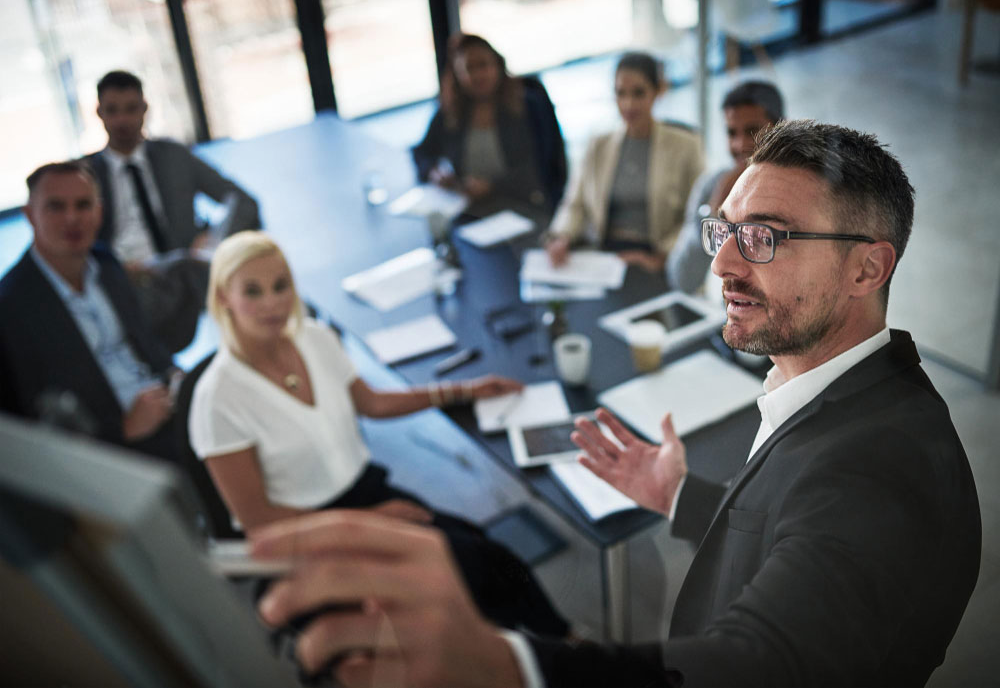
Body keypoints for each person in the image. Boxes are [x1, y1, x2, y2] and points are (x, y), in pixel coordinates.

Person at [247, 121, 981, 688]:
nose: (722, 263)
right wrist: (681, 497)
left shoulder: (883, 467)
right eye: (723, 230)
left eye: (763, 238)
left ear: (866, 267)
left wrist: (511, 667)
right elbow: (790, 525)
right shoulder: (839, 389)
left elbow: (761, 664)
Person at [188, 230, 569, 637]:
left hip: (365, 492)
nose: (272, 303)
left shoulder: (315, 338)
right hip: (303, 535)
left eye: (281, 286)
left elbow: (372, 404)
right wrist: (367, 521)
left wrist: (464, 391)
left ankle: (569, 653)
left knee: (491, 560)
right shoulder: (216, 400)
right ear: (224, 297)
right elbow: (259, 523)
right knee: (426, 610)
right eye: (253, 291)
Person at [0, 162, 177, 462]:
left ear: (99, 212)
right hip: (106, 451)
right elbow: (26, 423)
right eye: (56, 207)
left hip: (165, 407)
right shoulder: (10, 305)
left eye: (83, 205)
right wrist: (122, 429)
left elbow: (144, 343)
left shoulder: (106, 264)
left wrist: (175, 376)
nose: (72, 218)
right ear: (30, 215)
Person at [84, 70, 261, 353]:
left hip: (184, 269)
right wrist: (112, 267)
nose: (122, 121)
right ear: (99, 113)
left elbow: (241, 201)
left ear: (144, 110)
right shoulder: (85, 175)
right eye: (112, 111)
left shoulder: (173, 156)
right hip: (124, 278)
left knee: (268, 289)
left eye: (131, 109)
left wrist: (212, 242)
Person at [545, 52, 704, 273]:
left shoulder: (686, 145)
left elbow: (696, 216)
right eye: (621, 94)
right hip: (606, 256)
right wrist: (561, 235)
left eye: (638, 93)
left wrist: (662, 257)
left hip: (657, 257)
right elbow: (575, 203)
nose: (628, 104)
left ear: (658, 91)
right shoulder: (598, 144)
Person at [412, 33, 567, 217]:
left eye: (483, 65)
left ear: (497, 65)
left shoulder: (528, 106)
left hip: (526, 205)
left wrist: (492, 186)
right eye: (469, 69)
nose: (478, 75)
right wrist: (434, 171)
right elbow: (421, 152)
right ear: (458, 74)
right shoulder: (450, 112)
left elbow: (545, 166)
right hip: (471, 210)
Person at [667, 80, 784, 293]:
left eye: (752, 131)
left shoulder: (801, 190)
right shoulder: (711, 186)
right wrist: (713, 215)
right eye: (732, 133)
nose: (740, 144)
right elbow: (682, 279)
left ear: (780, 128)